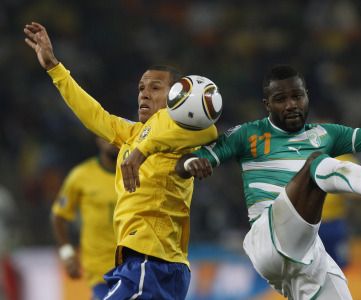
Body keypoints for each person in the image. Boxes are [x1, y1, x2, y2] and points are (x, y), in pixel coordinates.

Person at [173, 65, 361, 299]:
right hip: (266, 237)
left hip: (309, 252)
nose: (291, 104)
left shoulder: (327, 133)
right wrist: (192, 163)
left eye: (297, 95)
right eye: (280, 99)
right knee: (316, 166)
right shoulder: (247, 134)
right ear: (267, 104)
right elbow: (192, 161)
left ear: (307, 95)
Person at [24, 22, 218, 299]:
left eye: (155, 87)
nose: (144, 93)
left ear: (177, 97)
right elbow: (94, 115)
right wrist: (55, 67)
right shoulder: (133, 134)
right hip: (147, 262)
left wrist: (144, 149)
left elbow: (208, 129)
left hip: (151, 261)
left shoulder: (183, 128)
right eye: (141, 88)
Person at [51, 137, 118, 300]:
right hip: (99, 269)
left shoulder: (141, 173)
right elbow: (58, 216)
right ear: (98, 140)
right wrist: (67, 253)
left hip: (136, 266)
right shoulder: (81, 176)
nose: (113, 140)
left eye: (118, 135)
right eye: (107, 135)